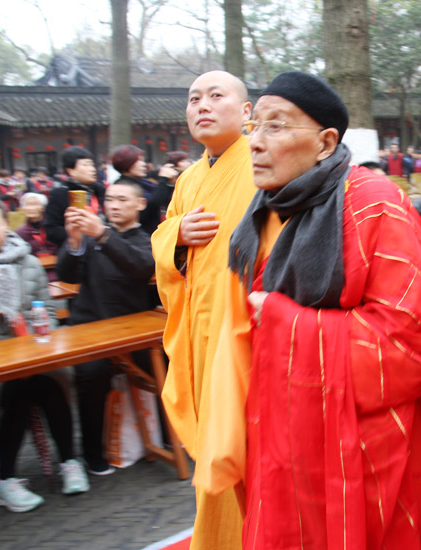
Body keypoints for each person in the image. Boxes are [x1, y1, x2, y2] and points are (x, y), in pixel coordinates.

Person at [197, 71, 421, 549]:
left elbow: (415, 343)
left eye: (277, 126)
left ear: (325, 142)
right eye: (256, 128)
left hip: (361, 447)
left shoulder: (376, 204)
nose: (255, 143)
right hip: (273, 430)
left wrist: (283, 322)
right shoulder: (260, 213)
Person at [150, 70, 255, 550]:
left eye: (217, 95)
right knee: (214, 450)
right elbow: (167, 236)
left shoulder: (264, 164)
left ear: (248, 111)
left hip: (249, 336)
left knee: (245, 446)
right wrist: (176, 237)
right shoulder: (189, 178)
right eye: (194, 98)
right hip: (199, 332)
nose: (202, 106)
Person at [0, 197, 89, 512]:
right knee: (16, 388)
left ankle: (69, 462)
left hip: (30, 351)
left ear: (6, 225)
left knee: (49, 383)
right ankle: (5, 480)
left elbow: (46, 309)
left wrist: (37, 332)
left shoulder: (28, 262)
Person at [56, 178, 155, 476]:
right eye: (110, 199)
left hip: (132, 330)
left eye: (123, 199)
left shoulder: (146, 238)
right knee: (92, 374)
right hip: (90, 325)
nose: (114, 205)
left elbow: (142, 266)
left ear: (140, 204)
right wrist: (73, 241)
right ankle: (91, 453)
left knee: (165, 367)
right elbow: (67, 277)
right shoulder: (88, 238)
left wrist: (102, 235)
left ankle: (175, 439)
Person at [44, 146, 106, 248]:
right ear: (71, 171)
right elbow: (51, 231)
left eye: (92, 165)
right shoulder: (60, 194)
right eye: (85, 165)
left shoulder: (100, 190)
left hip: (104, 248)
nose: (92, 169)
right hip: (78, 252)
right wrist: (77, 235)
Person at [109, 145, 178, 234]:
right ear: (126, 162)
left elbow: (164, 200)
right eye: (139, 160)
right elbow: (152, 203)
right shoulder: (122, 185)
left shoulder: (145, 182)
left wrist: (169, 184)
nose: (143, 164)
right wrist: (163, 179)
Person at [15, 193, 58, 279]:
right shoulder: (20, 232)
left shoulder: (53, 227)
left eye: (34, 204)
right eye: (27, 205)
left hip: (56, 269)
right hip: (34, 273)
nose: (30, 208)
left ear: (42, 208)